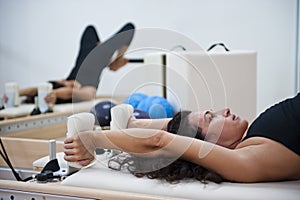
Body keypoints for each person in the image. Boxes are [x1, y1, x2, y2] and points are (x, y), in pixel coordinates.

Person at [63, 93, 300, 183]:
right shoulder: (246, 160)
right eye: (212, 117)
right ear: (205, 145)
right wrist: (93, 139)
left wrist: (134, 124)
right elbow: (160, 141)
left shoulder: (249, 144)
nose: (225, 110)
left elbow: (169, 132)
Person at [16, 22, 135, 105]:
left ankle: (112, 61)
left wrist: (15, 92)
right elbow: (69, 93)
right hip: (99, 56)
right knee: (129, 28)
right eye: (62, 83)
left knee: (90, 29)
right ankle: (114, 61)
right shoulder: (87, 88)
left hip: (88, 52)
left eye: (60, 81)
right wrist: (54, 94)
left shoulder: (69, 79)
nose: (62, 80)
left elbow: (33, 90)